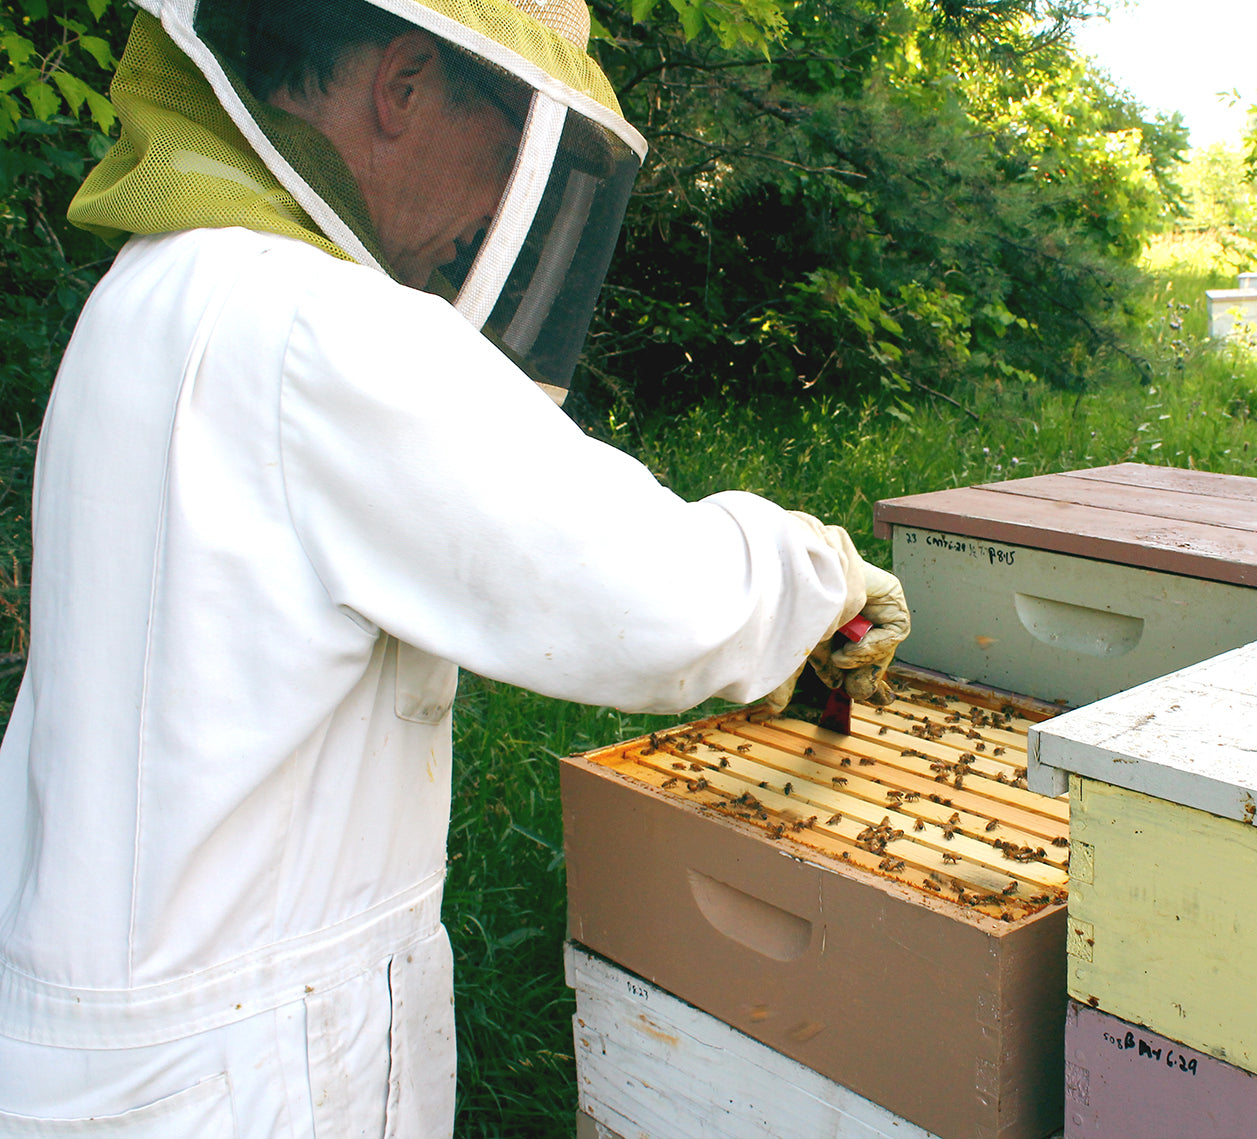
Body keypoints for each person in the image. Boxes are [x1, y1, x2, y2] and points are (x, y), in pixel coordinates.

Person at [0, 0, 908, 1133]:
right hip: (244, 1066)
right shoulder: (322, 326)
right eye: (511, 139)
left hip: (103, 1032)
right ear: (406, 88)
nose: (492, 210)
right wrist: (817, 575)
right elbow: (644, 595)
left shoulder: (157, 286)